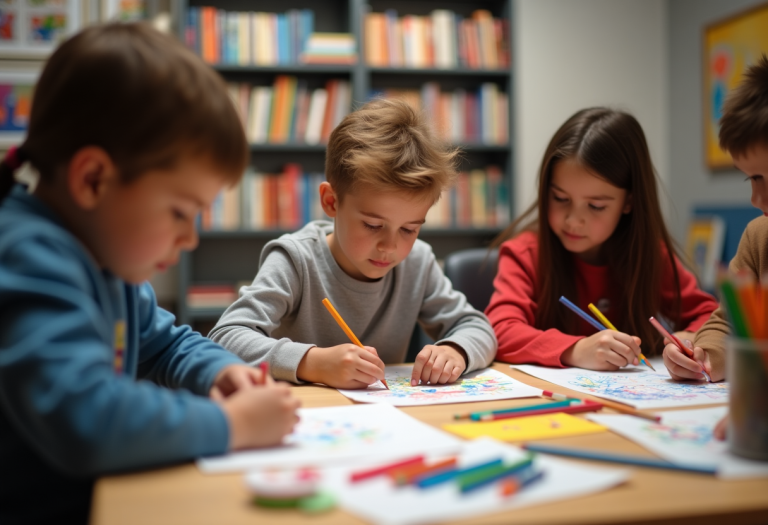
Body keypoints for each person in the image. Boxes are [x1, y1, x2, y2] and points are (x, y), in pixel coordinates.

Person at [0, 23, 299, 524]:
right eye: (180, 212)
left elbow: (168, 344)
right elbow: (86, 418)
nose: (191, 239)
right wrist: (230, 425)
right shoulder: (29, 257)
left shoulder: (102, 260)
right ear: (93, 180)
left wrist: (220, 372)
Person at [209, 98, 497, 389]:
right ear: (331, 202)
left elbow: (477, 327)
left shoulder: (417, 262)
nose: (390, 246)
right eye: (373, 225)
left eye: (409, 229)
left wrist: (455, 350)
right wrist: (312, 362)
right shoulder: (296, 260)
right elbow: (226, 336)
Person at [485, 108, 718, 371]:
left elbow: (710, 315)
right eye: (560, 198)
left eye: (595, 206)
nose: (573, 220)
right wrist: (575, 349)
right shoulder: (525, 253)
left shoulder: (648, 254)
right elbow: (499, 330)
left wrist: (688, 340)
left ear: (628, 202)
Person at [684, 56, 768, 440]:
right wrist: (707, 356)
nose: (756, 197)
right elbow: (725, 321)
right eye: (750, 178)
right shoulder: (758, 236)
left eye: (766, 177)